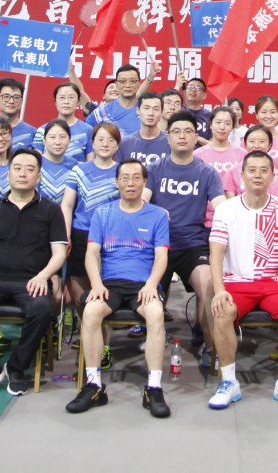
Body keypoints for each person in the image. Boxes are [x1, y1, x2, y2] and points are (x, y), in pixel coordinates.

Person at [206, 151, 278, 410]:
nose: (257, 175)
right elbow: (216, 252)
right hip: (236, 283)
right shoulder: (226, 210)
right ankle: (228, 381)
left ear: (272, 175)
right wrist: (219, 290)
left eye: (263, 170)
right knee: (222, 311)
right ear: (242, 175)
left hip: (273, 284)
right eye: (252, 170)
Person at [67, 159, 172, 418]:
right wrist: (96, 284)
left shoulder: (158, 215)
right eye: (125, 178)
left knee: (155, 314)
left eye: (136, 178)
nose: (130, 183)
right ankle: (93, 385)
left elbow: (161, 256)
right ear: (116, 183)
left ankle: (154, 387)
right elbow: (92, 253)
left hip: (143, 284)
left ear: (144, 182)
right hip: (110, 283)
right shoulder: (102, 214)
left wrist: (151, 284)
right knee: (91, 312)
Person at [0, 147, 68, 397]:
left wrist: (43, 276)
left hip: (32, 282)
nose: (23, 174)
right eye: (17, 168)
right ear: (8, 174)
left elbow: (60, 253)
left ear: (38, 176)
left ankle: (17, 367)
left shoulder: (51, 210)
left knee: (42, 310)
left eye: (30, 170)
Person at [147, 112, 226, 357]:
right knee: (151, 295)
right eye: (176, 131)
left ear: (196, 137)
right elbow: (141, 203)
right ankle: (154, 338)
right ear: (168, 137)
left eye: (188, 131)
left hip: (193, 244)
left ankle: (211, 349)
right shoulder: (154, 169)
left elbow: (222, 207)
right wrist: (154, 212)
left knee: (210, 287)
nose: (182, 136)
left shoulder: (207, 172)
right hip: (159, 245)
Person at [60, 121, 123, 309]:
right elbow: (67, 205)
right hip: (81, 234)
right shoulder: (78, 170)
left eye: (110, 140)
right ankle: (84, 325)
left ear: (117, 145)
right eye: (100, 139)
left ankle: (102, 327)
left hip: (112, 237)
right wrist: (66, 236)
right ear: (93, 143)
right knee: (80, 286)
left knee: (106, 288)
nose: (105, 144)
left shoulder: (122, 171)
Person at [90, 63, 151, 138]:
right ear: (116, 84)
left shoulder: (148, 111)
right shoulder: (102, 112)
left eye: (133, 81)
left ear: (139, 84)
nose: (128, 85)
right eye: (122, 81)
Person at [195, 105, 246, 190]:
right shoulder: (197, 155)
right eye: (218, 122)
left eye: (227, 123)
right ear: (211, 125)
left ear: (232, 127)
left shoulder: (242, 154)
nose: (222, 127)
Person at [118, 91, 169, 170]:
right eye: (146, 108)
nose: (151, 113)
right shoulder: (125, 143)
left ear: (161, 112)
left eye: (156, 109)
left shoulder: (170, 143)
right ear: (138, 110)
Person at [36, 120, 79, 203]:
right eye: (52, 137)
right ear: (44, 140)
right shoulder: (36, 163)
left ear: (69, 139)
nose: (58, 142)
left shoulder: (75, 165)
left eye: (62, 137)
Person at [54, 81, 92, 162]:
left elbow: (91, 162)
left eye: (71, 97)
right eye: (62, 97)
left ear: (78, 101)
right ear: (55, 101)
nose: (66, 102)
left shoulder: (88, 130)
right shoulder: (43, 130)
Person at [0, 78, 35, 150]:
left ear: (22, 101)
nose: (11, 101)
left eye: (16, 97)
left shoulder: (32, 133)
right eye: (6, 97)